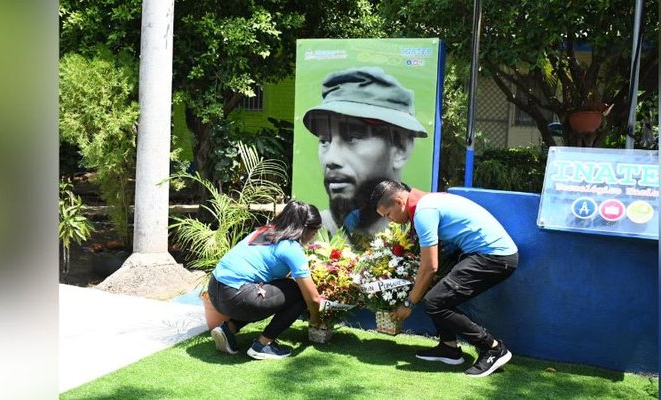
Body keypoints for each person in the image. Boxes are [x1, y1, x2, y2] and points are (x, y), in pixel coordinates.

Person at [368, 180, 519, 377]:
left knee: (434, 301)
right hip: (486, 255)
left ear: (399, 202)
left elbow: (430, 266)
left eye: (388, 215)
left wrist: (409, 303)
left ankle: (493, 348)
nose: (390, 220)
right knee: (436, 296)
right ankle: (449, 348)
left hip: (495, 258)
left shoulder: (423, 211)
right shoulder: (426, 202)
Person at [302, 66, 428, 236]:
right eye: (324, 140)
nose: (331, 159)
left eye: (352, 138)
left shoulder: (423, 224)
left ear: (400, 147)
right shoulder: (315, 233)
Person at [207, 201, 324, 360]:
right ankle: (263, 345)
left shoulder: (264, 231)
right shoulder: (291, 248)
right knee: (299, 294)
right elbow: (314, 299)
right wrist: (316, 320)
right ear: (305, 229)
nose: (314, 236)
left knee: (274, 290)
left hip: (214, 290)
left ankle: (229, 328)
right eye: (315, 231)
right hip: (237, 298)